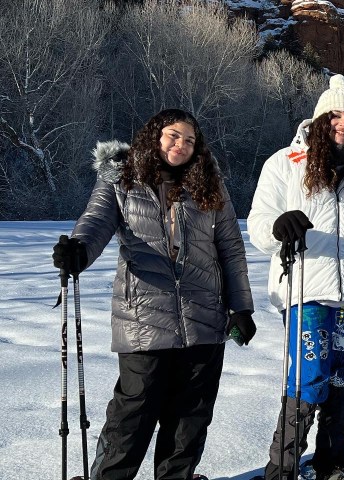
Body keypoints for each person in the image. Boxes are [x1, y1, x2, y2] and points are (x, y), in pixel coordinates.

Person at [51, 109, 256, 480]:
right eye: (174, 136)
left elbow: (230, 247)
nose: (182, 145)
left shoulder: (210, 184)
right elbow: (96, 221)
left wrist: (241, 306)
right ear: (154, 136)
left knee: (190, 418)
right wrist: (78, 250)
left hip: (204, 318)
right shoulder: (122, 179)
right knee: (133, 415)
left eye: (190, 140)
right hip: (142, 316)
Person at [246, 74, 344, 480]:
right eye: (336, 116)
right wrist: (279, 226)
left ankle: (330, 464)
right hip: (304, 288)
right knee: (308, 378)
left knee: (341, 378)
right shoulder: (286, 162)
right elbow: (258, 221)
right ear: (320, 119)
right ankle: (282, 469)